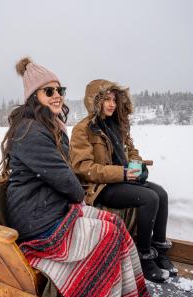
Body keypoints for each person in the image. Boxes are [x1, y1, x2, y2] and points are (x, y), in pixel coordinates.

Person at [0, 58, 150, 297]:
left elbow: (66, 175)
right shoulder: (31, 131)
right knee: (109, 235)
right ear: (32, 97)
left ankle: (129, 293)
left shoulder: (50, 126)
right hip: (37, 220)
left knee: (117, 224)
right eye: (49, 91)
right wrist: (81, 193)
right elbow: (68, 178)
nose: (57, 95)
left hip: (53, 207)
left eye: (60, 90)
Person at [70, 79, 178, 283]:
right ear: (95, 101)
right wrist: (122, 172)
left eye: (114, 100)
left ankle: (160, 250)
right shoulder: (83, 129)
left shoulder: (116, 125)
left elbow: (131, 151)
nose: (112, 104)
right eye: (106, 100)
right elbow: (83, 168)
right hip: (101, 187)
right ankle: (144, 257)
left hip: (123, 179)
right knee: (149, 198)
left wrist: (138, 166)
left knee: (161, 193)